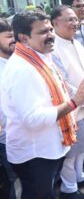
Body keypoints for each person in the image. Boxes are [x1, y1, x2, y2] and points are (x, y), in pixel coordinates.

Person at [1, 12, 84, 198]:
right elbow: (33, 119)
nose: (51, 35)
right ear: (24, 38)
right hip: (35, 155)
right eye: (43, 32)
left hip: (48, 148)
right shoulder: (22, 69)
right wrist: (74, 103)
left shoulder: (40, 57)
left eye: (50, 29)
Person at [51, 6, 84, 198]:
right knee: (71, 153)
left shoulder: (77, 43)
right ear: (55, 23)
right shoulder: (53, 48)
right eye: (69, 20)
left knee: (82, 149)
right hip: (71, 109)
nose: (75, 23)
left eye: (75, 19)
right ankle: (68, 188)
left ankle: (79, 177)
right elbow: (62, 82)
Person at [0, 19, 16, 199]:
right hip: (5, 138)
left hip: (19, 136)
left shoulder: (16, 62)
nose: (13, 40)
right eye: (8, 36)